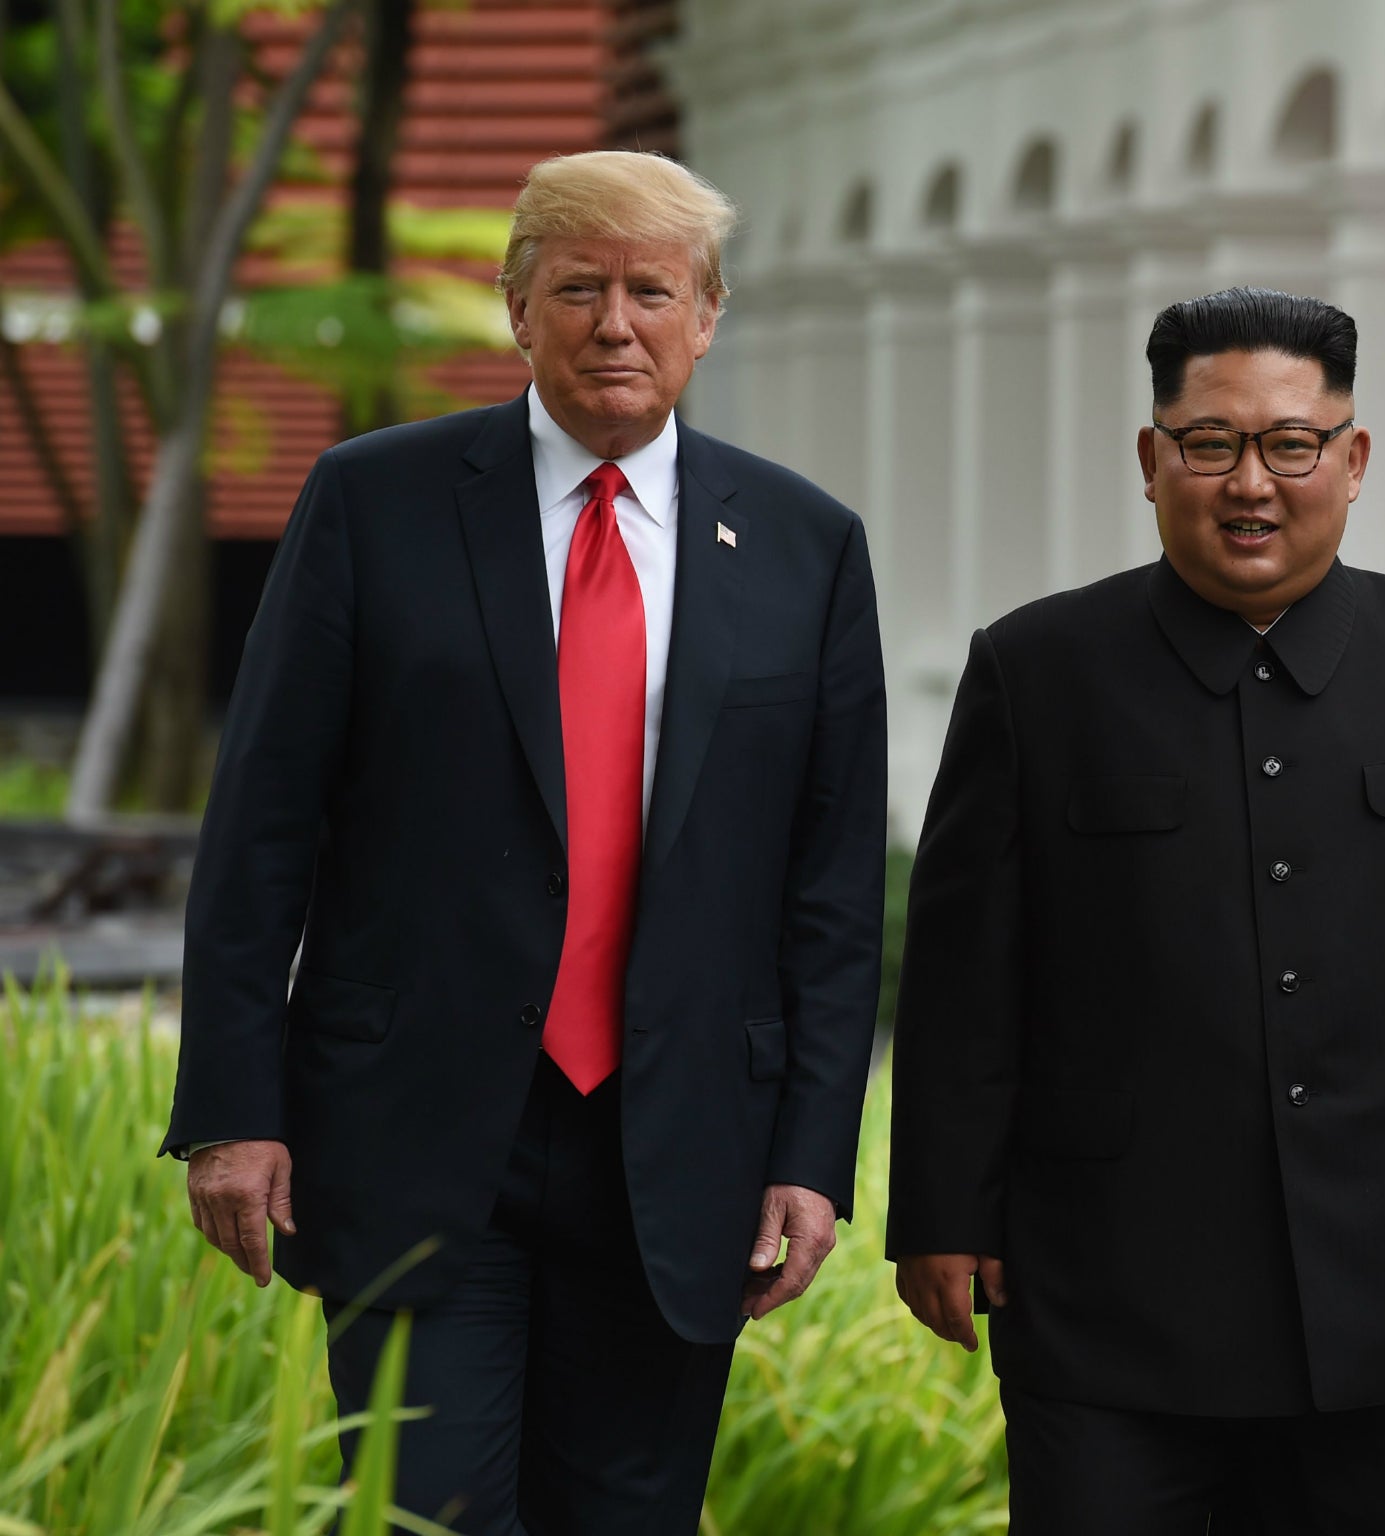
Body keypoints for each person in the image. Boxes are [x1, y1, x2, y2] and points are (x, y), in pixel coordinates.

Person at [165, 150, 887, 1533]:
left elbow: (830, 887)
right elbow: (262, 827)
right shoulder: (372, 505)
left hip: (679, 1150)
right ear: (516, 306)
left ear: (709, 315)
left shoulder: (806, 546)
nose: (616, 323)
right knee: (427, 1514)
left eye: (652, 291)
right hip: (417, 1133)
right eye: (578, 288)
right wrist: (234, 1110)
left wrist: (811, 1152)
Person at [887, 287, 1385, 1534]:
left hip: (1380, 1284)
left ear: (1350, 461)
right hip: (1103, 1293)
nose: (1251, 482)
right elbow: (967, 966)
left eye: (1289, 445)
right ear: (1151, 461)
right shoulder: (1036, 671)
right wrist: (940, 1208)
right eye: (1210, 444)